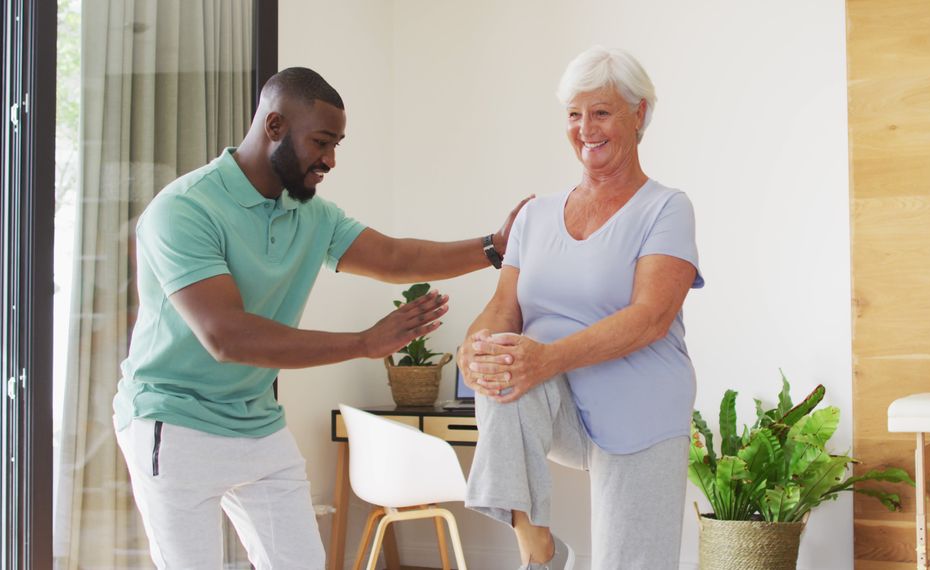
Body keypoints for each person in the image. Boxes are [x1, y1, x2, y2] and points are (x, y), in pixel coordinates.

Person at [112, 67, 530, 569]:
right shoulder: (184, 210)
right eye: (321, 142)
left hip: (255, 421)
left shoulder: (311, 215)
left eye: (337, 145)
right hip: (174, 424)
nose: (330, 160)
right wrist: (362, 343)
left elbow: (395, 258)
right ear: (273, 127)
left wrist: (493, 247)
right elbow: (226, 335)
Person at [459, 46, 704, 570]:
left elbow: (650, 318)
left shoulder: (666, 208)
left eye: (601, 112)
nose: (586, 128)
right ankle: (539, 554)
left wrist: (545, 358)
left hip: (642, 406)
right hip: (556, 401)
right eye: (574, 114)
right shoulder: (535, 217)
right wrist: (473, 349)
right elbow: (504, 307)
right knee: (502, 359)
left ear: (638, 115)